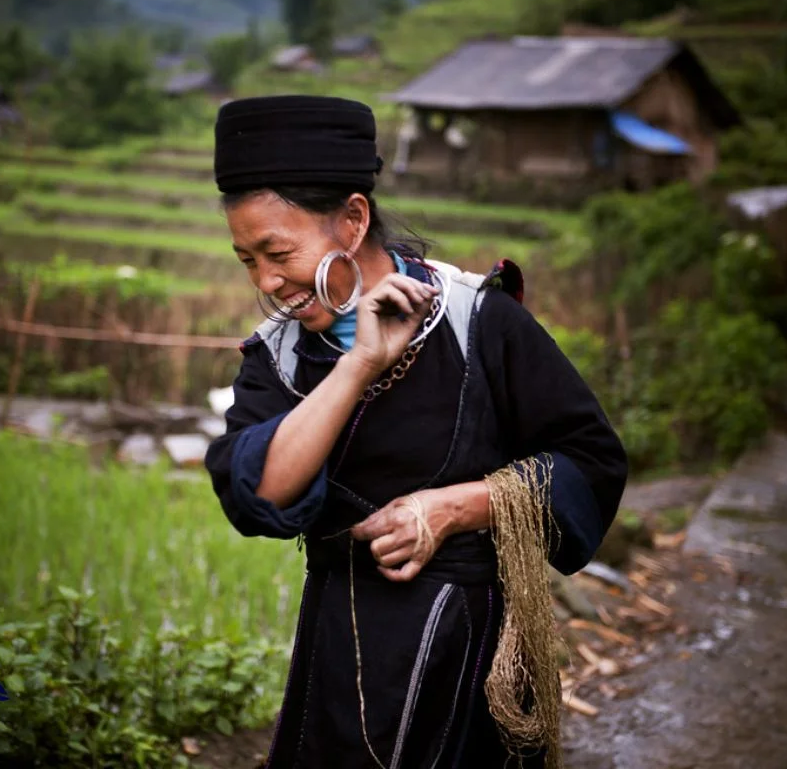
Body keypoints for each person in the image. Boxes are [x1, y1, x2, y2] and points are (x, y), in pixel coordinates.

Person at [204, 95, 628, 769]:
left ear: (352, 218)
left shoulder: (479, 324)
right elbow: (264, 495)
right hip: (341, 649)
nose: (267, 281)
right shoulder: (278, 360)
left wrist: (456, 507)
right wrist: (360, 363)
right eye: (246, 261)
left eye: (276, 251)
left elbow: (591, 460)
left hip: (471, 651)